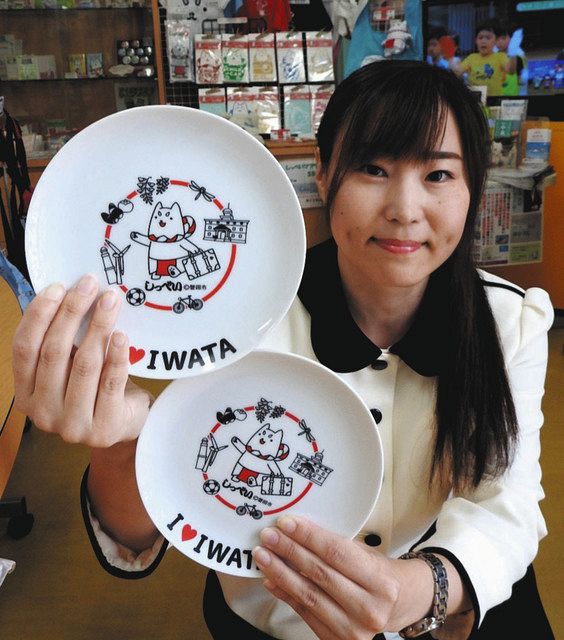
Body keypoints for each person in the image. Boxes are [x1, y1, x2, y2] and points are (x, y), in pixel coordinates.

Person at [12, 61, 555, 640]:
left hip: (447, 613)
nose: (404, 208)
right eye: (373, 169)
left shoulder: (510, 322)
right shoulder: (234, 319)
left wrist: (421, 591)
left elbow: (508, 504)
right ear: (322, 173)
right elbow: (139, 532)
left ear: (473, 187)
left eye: (439, 175)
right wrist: (124, 441)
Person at [452, 22, 518, 97]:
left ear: (495, 41)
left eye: (488, 38)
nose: (483, 41)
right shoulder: (471, 58)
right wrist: (449, 59)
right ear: (476, 41)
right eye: (480, 38)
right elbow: (456, 73)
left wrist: (513, 54)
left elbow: (511, 71)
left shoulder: (500, 57)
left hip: (494, 101)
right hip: (476, 101)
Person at [495, 23, 527, 96]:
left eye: (503, 38)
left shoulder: (518, 57)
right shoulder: (494, 56)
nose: (499, 42)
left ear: (512, 39)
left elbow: (521, 81)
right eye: (497, 39)